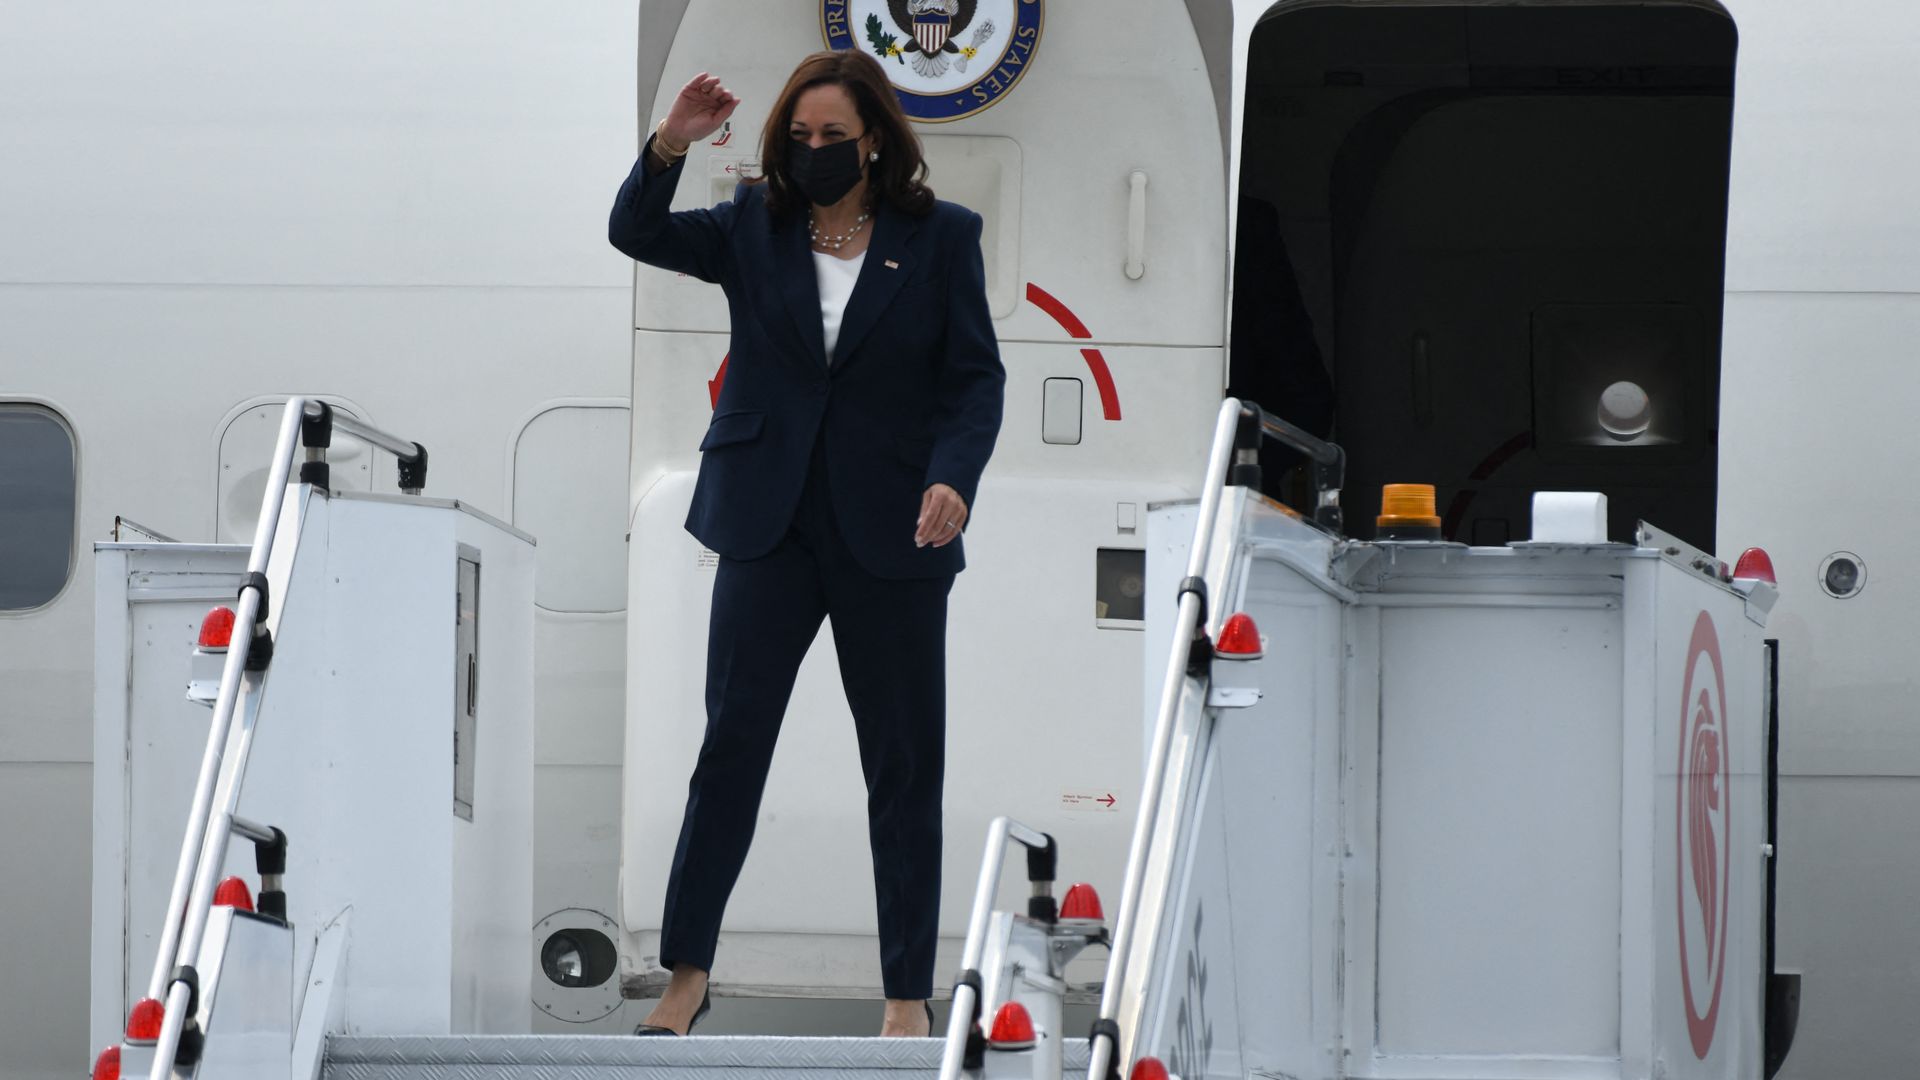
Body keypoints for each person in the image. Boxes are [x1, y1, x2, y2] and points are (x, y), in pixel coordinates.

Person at [607, 51, 1004, 1039]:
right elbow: (635, 229)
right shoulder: (753, 226)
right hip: (767, 520)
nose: (815, 152)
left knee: (904, 767)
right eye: (800, 136)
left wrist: (954, 477)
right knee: (731, 748)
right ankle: (686, 977)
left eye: (833, 136)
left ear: (874, 138)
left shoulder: (942, 237)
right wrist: (672, 144)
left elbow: (974, 380)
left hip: (896, 529)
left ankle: (906, 997)